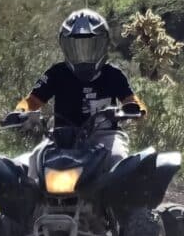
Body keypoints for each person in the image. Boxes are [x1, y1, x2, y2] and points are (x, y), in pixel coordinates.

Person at [10, 10, 145, 168]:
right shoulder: (57, 73)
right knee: (35, 160)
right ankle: (30, 194)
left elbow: (131, 100)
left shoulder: (113, 75)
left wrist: (135, 108)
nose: (83, 56)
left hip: (105, 136)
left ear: (104, 45)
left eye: (91, 46)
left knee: (118, 160)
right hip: (61, 136)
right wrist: (21, 112)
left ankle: (121, 193)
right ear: (65, 46)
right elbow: (32, 100)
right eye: (76, 47)